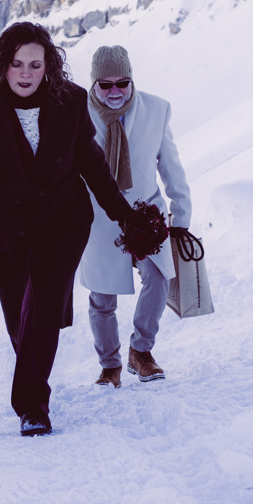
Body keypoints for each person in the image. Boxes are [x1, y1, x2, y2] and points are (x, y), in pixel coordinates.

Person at [0, 22, 156, 436]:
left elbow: (92, 164)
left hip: (63, 221)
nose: (26, 73)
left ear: (48, 65)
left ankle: (32, 407)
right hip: (9, 228)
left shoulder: (70, 100)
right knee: (20, 321)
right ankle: (33, 387)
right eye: (17, 63)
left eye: (35, 64)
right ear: (3, 64)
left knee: (43, 309)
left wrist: (124, 214)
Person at [80, 44, 191, 386]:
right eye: (105, 85)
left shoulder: (156, 109)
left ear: (131, 80)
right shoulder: (76, 113)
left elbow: (171, 167)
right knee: (102, 298)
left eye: (122, 83)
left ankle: (141, 351)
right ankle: (110, 365)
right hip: (99, 220)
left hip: (146, 215)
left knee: (158, 278)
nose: (115, 91)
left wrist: (181, 219)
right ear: (94, 83)